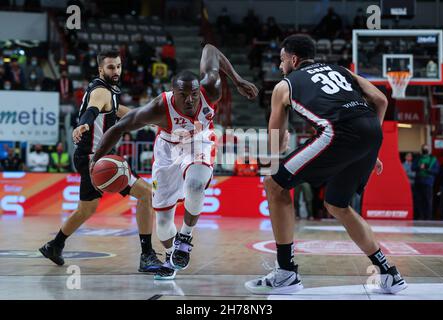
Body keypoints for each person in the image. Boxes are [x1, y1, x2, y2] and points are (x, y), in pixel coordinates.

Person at [245, 34, 407, 295]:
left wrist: (279, 149)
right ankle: (388, 273)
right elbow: (381, 100)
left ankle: (285, 272)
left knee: (274, 184)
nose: (279, 66)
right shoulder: (342, 70)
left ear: (293, 59)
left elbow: (275, 142)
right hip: (369, 132)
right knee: (337, 205)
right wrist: (368, 146)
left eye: (282, 59)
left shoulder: (284, 85)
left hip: (339, 133)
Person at [91, 44, 258, 280]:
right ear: (173, 93)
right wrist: (96, 161)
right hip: (167, 150)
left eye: (193, 94)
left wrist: (238, 80)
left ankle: (185, 238)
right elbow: (119, 128)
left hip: (199, 140)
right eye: (183, 95)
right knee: (162, 221)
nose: (189, 100)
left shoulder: (211, 88)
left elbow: (210, 49)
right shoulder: (158, 108)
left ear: (200, 90)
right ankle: (172, 256)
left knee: (195, 184)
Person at [39, 50, 162, 273]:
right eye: (110, 67)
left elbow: (118, 111)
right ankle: (147, 256)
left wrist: (148, 118)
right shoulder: (100, 91)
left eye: (118, 66)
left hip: (90, 156)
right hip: (96, 157)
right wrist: (83, 124)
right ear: (100, 69)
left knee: (86, 208)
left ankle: (54, 246)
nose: (115, 71)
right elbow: (92, 110)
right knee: (146, 194)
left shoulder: (110, 92)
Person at [412, 144, 439, 220]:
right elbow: (413, 167)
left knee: (428, 200)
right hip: (418, 182)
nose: (425, 150)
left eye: (426, 149)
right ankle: (420, 216)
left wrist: (427, 169)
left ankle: (428, 217)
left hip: (428, 182)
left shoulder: (433, 159)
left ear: (429, 150)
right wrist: (419, 167)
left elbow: (436, 171)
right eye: (424, 148)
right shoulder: (418, 158)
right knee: (418, 200)